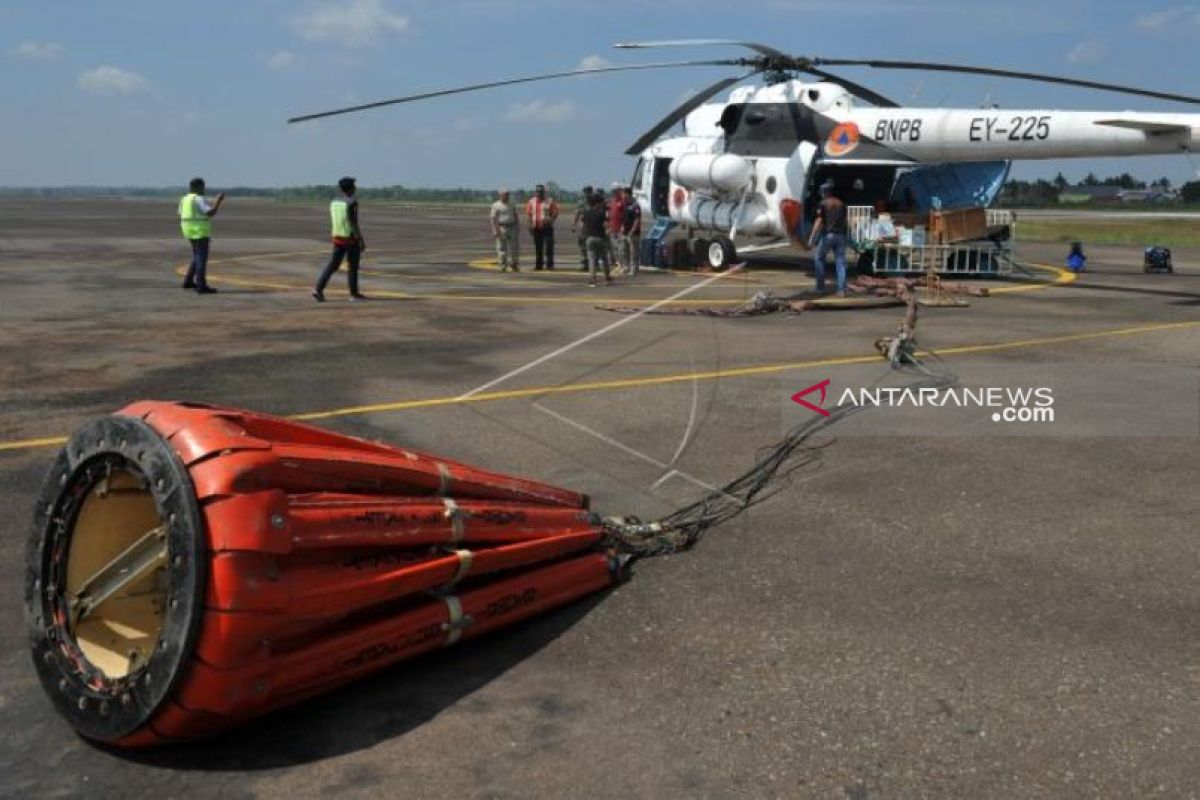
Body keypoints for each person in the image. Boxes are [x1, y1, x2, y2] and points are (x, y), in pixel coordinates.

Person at [313, 176, 367, 301]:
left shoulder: (334, 201)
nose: (356, 187)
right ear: (351, 188)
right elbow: (353, 222)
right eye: (354, 185)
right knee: (353, 266)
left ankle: (318, 289)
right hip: (350, 238)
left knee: (333, 265)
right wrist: (360, 239)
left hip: (337, 237)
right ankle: (354, 294)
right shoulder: (352, 202)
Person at [178, 177, 225, 294]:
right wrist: (218, 201)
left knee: (196, 257)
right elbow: (210, 212)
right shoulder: (198, 199)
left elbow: (179, 213)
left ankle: (188, 281)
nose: (204, 189)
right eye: (202, 187)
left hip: (188, 231)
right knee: (201, 259)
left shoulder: (184, 199)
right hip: (199, 231)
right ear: (197, 187)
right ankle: (201, 285)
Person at [808, 180, 849, 296]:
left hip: (828, 235)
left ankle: (820, 288)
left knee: (819, 258)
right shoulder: (841, 204)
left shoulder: (823, 203)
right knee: (840, 262)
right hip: (841, 236)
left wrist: (812, 237)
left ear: (824, 192)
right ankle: (841, 290)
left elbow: (819, 220)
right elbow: (846, 221)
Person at [524, 183, 559, 270]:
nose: (539, 193)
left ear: (544, 192)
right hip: (536, 227)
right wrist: (529, 226)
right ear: (535, 192)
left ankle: (550, 265)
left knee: (549, 247)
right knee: (538, 247)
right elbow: (528, 215)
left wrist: (551, 220)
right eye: (537, 192)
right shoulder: (531, 202)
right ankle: (538, 265)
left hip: (547, 227)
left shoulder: (549, 201)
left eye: (541, 192)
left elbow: (555, 212)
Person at [580, 192, 611, 287]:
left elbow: (583, 224)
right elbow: (606, 225)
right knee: (604, 258)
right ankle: (607, 277)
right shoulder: (601, 213)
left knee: (592, 259)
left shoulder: (586, 212)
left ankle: (592, 279)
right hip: (600, 238)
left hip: (589, 238)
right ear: (597, 203)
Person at [490, 188, 520, 272]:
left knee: (515, 248)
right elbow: (493, 218)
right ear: (500, 195)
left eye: (508, 194)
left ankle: (514, 265)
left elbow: (516, 215)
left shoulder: (512, 204)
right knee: (502, 248)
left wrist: (518, 226)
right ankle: (503, 266)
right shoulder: (496, 205)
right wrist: (495, 230)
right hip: (501, 227)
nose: (506, 196)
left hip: (512, 227)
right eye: (505, 194)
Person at [619, 186, 642, 275]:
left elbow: (637, 219)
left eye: (623, 194)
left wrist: (632, 231)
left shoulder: (635, 205)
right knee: (624, 251)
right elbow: (624, 219)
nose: (622, 196)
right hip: (625, 232)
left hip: (633, 233)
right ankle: (626, 267)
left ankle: (634, 268)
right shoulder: (625, 205)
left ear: (628, 194)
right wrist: (622, 227)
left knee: (633, 252)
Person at [571, 185, 594, 271]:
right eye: (585, 192)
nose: (587, 194)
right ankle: (585, 263)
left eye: (588, 192)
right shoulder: (581, 202)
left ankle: (593, 263)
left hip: (593, 227)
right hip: (583, 227)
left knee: (592, 245)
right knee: (582, 244)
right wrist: (574, 225)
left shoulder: (596, 201)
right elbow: (577, 213)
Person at [607, 183, 627, 273]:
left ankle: (623, 265)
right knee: (613, 248)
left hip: (620, 229)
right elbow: (609, 215)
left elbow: (626, 215)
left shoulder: (622, 202)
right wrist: (608, 226)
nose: (614, 192)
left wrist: (623, 226)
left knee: (621, 248)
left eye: (616, 191)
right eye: (613, 191)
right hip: (612, 228)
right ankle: (616, 265)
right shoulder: (612, 201)